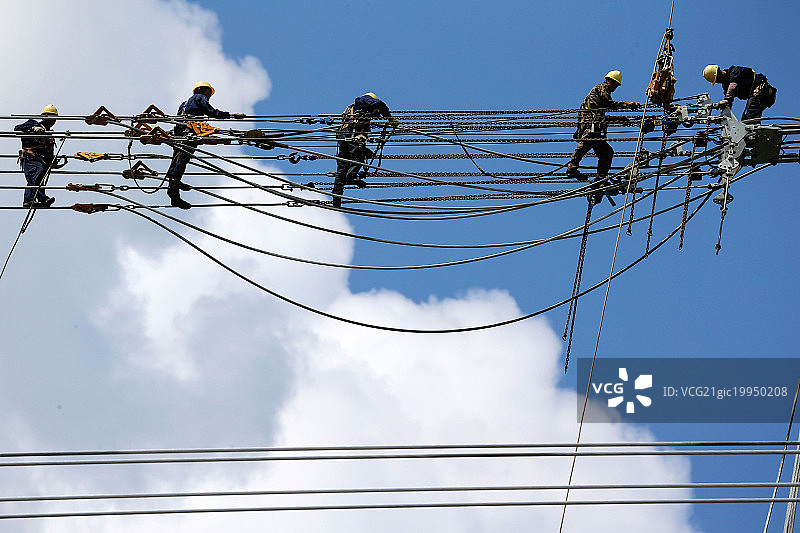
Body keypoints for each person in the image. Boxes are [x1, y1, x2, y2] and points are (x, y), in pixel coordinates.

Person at [165, 81, 246, 209]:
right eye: (209, 92)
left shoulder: (184, 103)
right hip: (190, 130)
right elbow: (210, 111)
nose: (210, 95)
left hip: (179, 131)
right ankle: (174, 182)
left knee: (177, 158)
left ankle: (174, 188)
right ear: (202, 90)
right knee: (184, 156)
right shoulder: (200, 98)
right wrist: (227, 115)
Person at [566, 70, 641, 203]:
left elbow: (603, 116)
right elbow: (608, 104)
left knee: (606, 152)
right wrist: (628, 105)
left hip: (594, 123)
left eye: (617, 85)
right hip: (589, 123)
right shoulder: (602, 88)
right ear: (609, 80)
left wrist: (619, 118)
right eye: (614, 84)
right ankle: (572, 168)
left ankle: (601, 177)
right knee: (588, 140)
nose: (614, 87)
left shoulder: (602, 95)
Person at [333, 92, 398, 208]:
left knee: (342, 167)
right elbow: (378, 104)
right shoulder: (364, 100)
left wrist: (366, 151)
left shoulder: (352, 109)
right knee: (357, 155)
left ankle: (336, 197)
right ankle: (352, 176)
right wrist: (389, 118)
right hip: (351, 135)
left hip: (343, 139)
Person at [14, 105, 62, 208]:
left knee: (36, 180)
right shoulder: (33, 123)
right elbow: (17, 128)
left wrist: (52, 162)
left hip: (40, 160)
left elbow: (48, 152)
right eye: (50, 116)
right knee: (37, 176)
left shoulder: (49, 135)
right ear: (44, 116)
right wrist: (33, 128)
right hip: (30, 157)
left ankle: (30, 200)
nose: (53, 120)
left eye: (55, 118)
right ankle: (42, 198)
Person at [702, 65, 777, 120]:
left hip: (763, 89)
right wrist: (724, 115)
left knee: (753, 104)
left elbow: (732, 86)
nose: (718, 82)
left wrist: (727, 99)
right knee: (745, 121)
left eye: (717, 79)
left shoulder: (734, 71)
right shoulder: (725, 85)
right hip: (755, 94)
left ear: (719, 72)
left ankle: (755, 133)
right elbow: (728, 102)